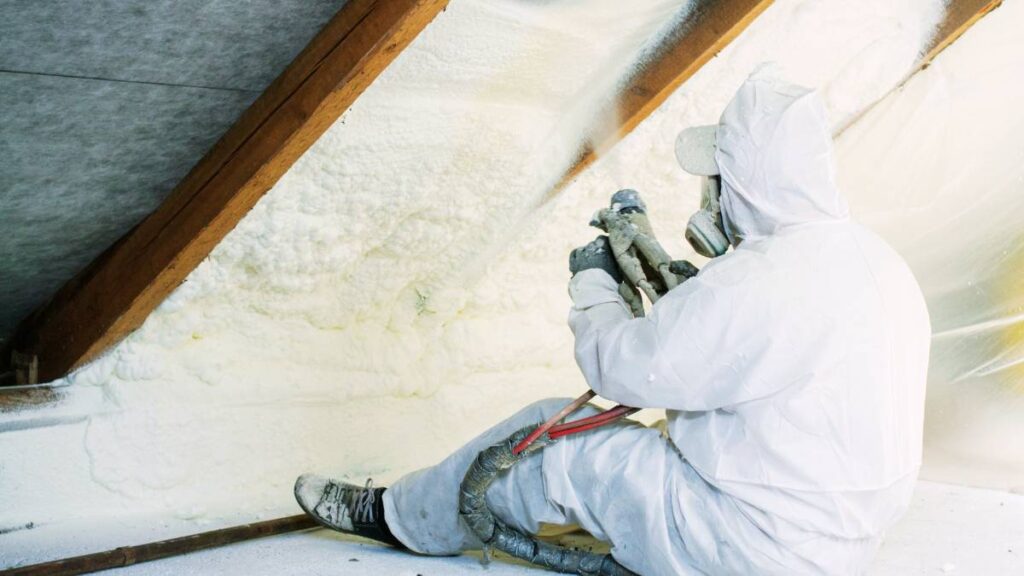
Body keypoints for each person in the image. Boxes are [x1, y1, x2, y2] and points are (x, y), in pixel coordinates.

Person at [294, 68, 931, 575]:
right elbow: (754, 343)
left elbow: (624, 373)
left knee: (548, 440)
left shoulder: (757, 283)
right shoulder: (873, 259)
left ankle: (397, 519)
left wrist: (593, 283)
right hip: (844, 542)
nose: (712, 194)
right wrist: (687, 289)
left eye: (718, 177)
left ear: (745, 181)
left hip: (750, 547)